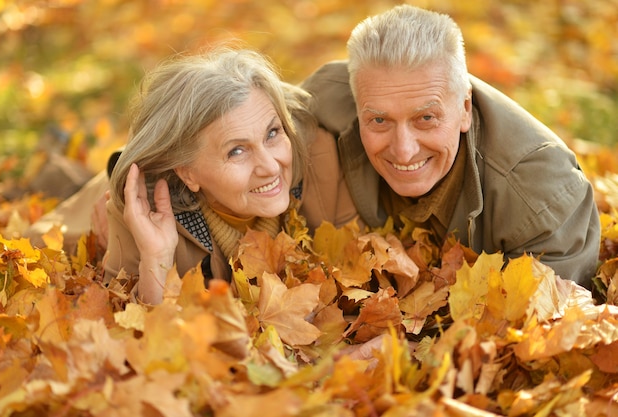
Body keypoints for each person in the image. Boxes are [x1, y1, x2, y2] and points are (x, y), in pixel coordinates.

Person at [300, 5, 600, 288]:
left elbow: (536, 331)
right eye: (379, 120)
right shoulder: (325, 98)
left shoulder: (540, 198)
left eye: (426, 118)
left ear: (465, 109)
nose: (403, 151)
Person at [104, 48, 357, 304]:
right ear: (187, 173)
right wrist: (156, 257)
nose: (270, 167)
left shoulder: (321, 158)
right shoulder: (139, 214)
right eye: (237, 151)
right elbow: (136, 332)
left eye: (271, 133)